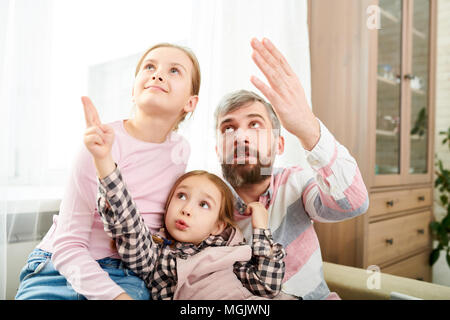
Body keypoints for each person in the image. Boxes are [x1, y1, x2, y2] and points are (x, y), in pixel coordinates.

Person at [15, 43, 201, 300]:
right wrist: (114, 297)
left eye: (174, 71)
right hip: (60, 269)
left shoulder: (181, 152)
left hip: (127, 275)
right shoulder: (100, 144)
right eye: (149, 66)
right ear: (133, 92)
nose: (157, 74)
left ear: (190, 102)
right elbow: (68, 245)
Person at [214, 38, 369, 300]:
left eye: (255, 125)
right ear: (218, 149)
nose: (240, 137)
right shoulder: (205, 200)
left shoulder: (296, 183)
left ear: (279, 144)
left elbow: (353, 203)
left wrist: (308, 126)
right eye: (228, 128)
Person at [87, 119, 286, 299]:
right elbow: (128, 225)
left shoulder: (231, 254)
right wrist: (104, 162)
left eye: (204, 205)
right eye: (181, 196)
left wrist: (261, 228)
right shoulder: (156, 257)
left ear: (218, 226)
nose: (187, 209)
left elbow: (268, 285)